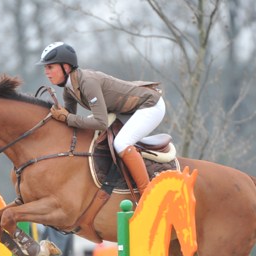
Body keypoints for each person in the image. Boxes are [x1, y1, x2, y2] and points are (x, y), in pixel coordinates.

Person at [37, 41, 166, 194]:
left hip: (150, 105)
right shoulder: (69, 89)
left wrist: (67, 118)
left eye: (50, 67)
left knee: (122, 143)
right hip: (127, 110)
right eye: (45, 67)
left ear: (66, 67)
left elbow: (100, 122)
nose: (46, 72)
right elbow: (69, 119)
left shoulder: (88, 82)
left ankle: (147, 194)